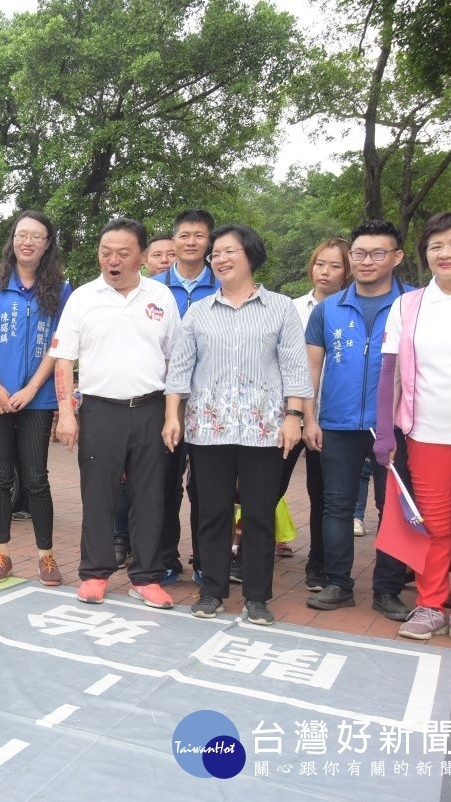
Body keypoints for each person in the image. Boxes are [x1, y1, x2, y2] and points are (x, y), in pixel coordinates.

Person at [163, 224, 311, 625]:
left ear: (250, 256)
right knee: (212, 512)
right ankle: (211, 591)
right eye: (217, 253)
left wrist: (294, 417)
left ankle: (258, 596)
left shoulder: (280, 308)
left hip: (264, 429)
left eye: (229, 251)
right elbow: (180, 370)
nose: (220, 259)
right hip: (208, 429)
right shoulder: (198, 312)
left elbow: (296, 368)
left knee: (260, 512)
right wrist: (172, 415)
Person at [52, 218, 181, 607]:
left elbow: (177, 361)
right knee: (98, 495)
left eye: (123, 254)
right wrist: (67, 413)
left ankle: (146, 577)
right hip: (99, 409)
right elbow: (63, 360)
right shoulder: (83, 298)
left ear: (141, 257)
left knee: (149, 495)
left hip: (150, 409)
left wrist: (173, 415)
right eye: (106, 253)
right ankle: (95, 572)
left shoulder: (161, 297)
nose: (113, 260)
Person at [375, 210, 451, 648]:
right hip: (426, 434)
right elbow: (390, 370)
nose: (445, 252)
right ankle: (431, 604)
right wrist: (385, 431)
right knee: (433, 525)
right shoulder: (409, 304)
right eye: (436, 246)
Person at [303, 222, 412, 621]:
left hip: (396, 427)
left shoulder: (412, 304)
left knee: (392, 508)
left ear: (397, 257)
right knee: (336, 506)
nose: (366, 261)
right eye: (360, 253)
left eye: (378, 253)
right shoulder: (329, 308)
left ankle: (388, 590)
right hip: (337, 423)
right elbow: (311, 368)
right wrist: (308, 418)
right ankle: (338, 584)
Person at [0, 210, 72, 585]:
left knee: (36, 478)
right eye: (20, 235)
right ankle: (2, 554)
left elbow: (60, 346)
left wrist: (32, 389)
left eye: (36, 236)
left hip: (39, 399)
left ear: (48, 245)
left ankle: (46, 557)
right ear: (12, 240)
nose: (27, 242)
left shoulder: (62, 291)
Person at [154, 209, 219, 585]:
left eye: (199, 235)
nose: (191, 242)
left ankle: (207, 560)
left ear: (209, 242)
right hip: (164, 402)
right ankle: (165, 558)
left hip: (211, 403)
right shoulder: (155, 288)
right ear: (174, 242)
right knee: (163, 483)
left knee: (207, 486)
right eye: (184, 235)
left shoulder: (224, 283)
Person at [279, 239, 350, 572]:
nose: (325, 271)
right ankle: (248, 554)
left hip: (328, 417)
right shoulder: (291, 307)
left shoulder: (349, 310)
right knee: (268, 486)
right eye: (320, 263)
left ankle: (319, 565)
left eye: (335, 265)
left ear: (347, 271)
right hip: (288, 415)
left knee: (322, 494)